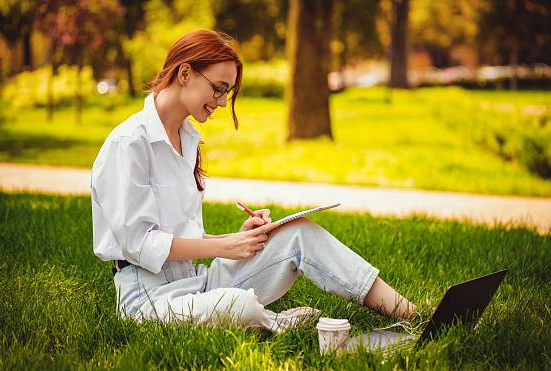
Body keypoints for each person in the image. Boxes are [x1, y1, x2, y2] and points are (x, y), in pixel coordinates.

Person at [91, 29, 417, 331]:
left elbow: (179, 236)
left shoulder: (187, 139)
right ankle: (281, 323)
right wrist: (224, 247)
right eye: (219, 88)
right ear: (185, 73)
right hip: (149, 298)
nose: (221, 101)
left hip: (196, 279)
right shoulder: (130, 143)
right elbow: (140, 244)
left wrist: (238, 239)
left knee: (298, 232)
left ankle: (411, 313)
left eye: (227, 92)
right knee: (238, 305)